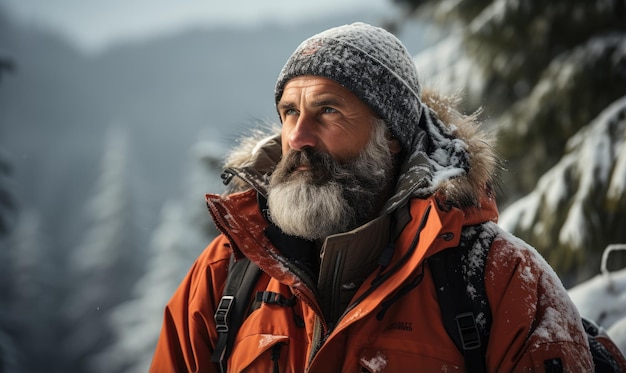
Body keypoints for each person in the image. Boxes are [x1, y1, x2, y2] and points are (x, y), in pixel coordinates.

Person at [149, 22, 593, 372]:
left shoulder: (500, 280)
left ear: (392, 137)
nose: (298, 137)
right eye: (289, 112)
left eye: (328, 110)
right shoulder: (225, 272)